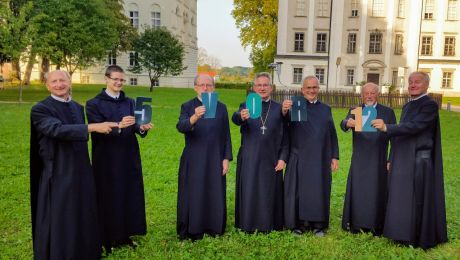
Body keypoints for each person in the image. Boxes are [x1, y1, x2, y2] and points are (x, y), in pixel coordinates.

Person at [30, 70, 118, 259]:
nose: (59, 84)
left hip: (81, 167)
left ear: (70, 82)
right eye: (54, 81)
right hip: (58, 170)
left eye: (63, 80)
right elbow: (56, 129)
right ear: (47, 86)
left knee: (83, 210)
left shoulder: (78, 108)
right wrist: (93, 127)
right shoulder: (40, 109)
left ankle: (84, 250)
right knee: (62, 215)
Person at [372, 71, 447, 249]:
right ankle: (400, 232)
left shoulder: (429, 105)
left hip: (419, 160)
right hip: (403, 158)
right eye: (410, 82)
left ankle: (416, 236)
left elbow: (415, 127)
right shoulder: (407, 106)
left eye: (417, 82)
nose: (413, 85)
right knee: (402, 196)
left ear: (426, 85)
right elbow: (401, 134)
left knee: (417, 199)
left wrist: (386, 127)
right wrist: (391, 157)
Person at [86, 65, 153, 253]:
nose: (118, 83)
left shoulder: (130, 102)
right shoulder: (93, 104)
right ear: (106, 79)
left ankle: (125, 234)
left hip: (128, 155)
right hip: (106, 157)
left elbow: (136, 127)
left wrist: (142, 128)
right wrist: (119, 125)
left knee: (128, 193)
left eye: (122, 80)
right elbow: (97, 129)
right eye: (115, 79)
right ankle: (106, 237)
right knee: (107, 195)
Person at [176, 74, 232, 240]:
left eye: (209, 85)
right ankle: (193, 228)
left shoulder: (221, 107)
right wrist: (194, 117)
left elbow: (226, 134)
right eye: (202, 85)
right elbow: (181, 126)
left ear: (213, 88)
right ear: (195, 87)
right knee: (194, 192)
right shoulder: (187, 106)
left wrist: (226, 158)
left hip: (215, 156)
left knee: (214, 190)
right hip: (194, 157)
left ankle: (214, 226)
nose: (205, 88)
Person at [282, 75, 339, 237]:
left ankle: (318, 225)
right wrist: (284, 111)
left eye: (314, 87)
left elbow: (332, 133)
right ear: (302, 90)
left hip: (320, 157)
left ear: (318, 89)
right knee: (298, 191)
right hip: (299, 155)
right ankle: (299, 225)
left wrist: (334, 156)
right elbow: (285, 122)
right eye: (308, 87)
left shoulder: (325, 108)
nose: (311, 90)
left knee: (318, 191)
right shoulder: (296, 105)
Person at [232, 72, 288, 233]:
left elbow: (286, 136)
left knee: (269, 191)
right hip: (250, 156)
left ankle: (270, 224)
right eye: (259, 85)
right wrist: (241, 116)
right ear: (254, 88)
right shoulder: (246, 104)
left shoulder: (279, 108)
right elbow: (235, 119)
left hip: (272, 157)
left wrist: (283, 158)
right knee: (250, 189)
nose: (262, 88)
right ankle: (248, 223)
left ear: (271, 88)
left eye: (265, 85)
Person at [340, 82, 396, 235]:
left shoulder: (388, 112)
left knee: (376, 190)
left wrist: (391, 159)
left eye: (372, 93)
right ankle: (357, 223)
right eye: (366, 93)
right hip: (359, 159)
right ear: (362, 95)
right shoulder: (356, 110)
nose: (369, 96)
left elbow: (395, 138)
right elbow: (343, 124)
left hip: (379, 159)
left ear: (377, 94)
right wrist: (347, 122)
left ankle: (376, 224)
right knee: (359, 191)